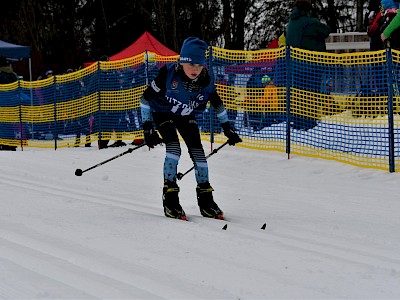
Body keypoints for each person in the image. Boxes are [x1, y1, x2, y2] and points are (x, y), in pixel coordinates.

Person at [140, 37, 242, 220]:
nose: (195, 69)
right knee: (174, 149)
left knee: (199, 154)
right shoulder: (168, 74)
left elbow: (217, 103)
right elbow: (145, 98)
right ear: (182, 61)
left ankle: (206, 200)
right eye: (191, 64)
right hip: (162, 113)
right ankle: (170, 198)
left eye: (199, 65)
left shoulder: (206, 80)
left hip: (185, 116)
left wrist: (227, 127)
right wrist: (147, 127)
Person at [286, 0, 330, 130]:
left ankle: (298, 121)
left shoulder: (291, 24)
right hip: (311, 66)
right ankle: (308, 122)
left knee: (298, 95)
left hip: (295, 66)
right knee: (311, 95)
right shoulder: (310, 22)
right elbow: (326, 31)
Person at [0, 57, 18, 151]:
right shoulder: (13, 75)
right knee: (10, 124)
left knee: (2, 124)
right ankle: (12, 143)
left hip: (2, 103)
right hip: (12, 103)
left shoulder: (1, 75)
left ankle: (4, 143)